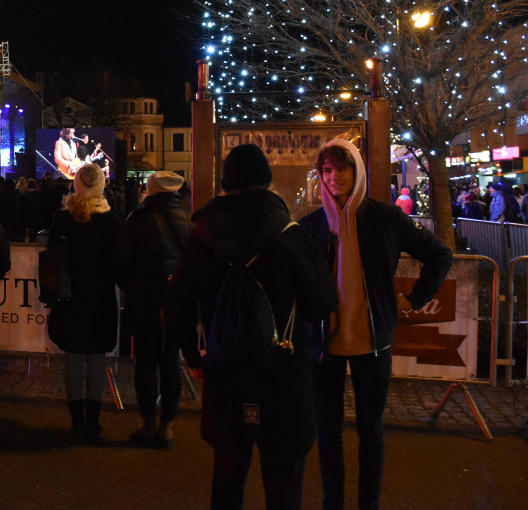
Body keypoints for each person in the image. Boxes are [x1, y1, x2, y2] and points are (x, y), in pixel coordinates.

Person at [165, 144, 335, 509]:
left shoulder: (203, 235)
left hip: (225, 371)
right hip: (284, 374)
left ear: (225, 183)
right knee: (283, 484)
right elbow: (321, 303)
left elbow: (178, 302)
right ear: (266, 182)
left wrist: (193, 354)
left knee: (227, 480)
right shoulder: (290, 233)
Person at [299, 139, 453, 510]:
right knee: (327, 430)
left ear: (358, 171)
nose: (333, 177)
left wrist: (414, 298)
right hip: (324, 344)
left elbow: (440, 255)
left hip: (373, 341)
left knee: (371, 430)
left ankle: (369, 503)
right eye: (326, 171)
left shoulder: (386, 218)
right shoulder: (310, 226)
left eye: (341, 168)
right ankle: (332, 502)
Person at [113, 170, 192, 449]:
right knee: (170, 362)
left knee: (145, 362)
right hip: (174, 305)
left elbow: (120, 263)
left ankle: (147, 423)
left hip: (144, 302)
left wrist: (132, 287)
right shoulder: (188, 220)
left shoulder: (137, 220)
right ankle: (167, 427)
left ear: (151, 190)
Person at [46, 162, 122, 441]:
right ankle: (94, 422)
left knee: (74, 357)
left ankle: (77, 421)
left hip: (69, 295)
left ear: (75, 184)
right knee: (97, 356)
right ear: (102, 185)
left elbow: (52, 254)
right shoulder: (112, 221)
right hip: (100, 296)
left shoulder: (61, 219)